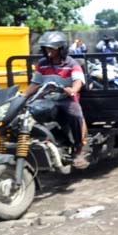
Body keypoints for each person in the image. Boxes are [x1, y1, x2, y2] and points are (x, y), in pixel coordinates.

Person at [22, 31, 89, 169]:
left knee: (76, 114)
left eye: (52, 48)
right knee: (26, 113)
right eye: (46, 48)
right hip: (46, 99)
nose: (48, 51)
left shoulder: (72, 63)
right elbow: (35, 83)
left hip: (66, 99)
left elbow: (78, 80)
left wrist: (73, 90)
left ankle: (79, 149)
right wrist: (22, 96)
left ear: (61, 49)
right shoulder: (43, 64)